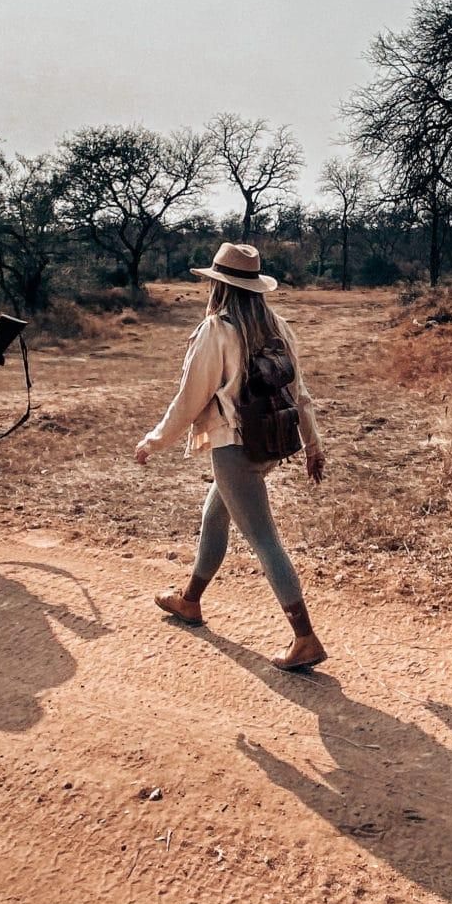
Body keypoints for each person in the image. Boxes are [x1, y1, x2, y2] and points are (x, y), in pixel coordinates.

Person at [135, 241, 329, 671]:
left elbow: (190, 397)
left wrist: (154, 440)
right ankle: (190, 601)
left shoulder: (217, 329)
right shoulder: (277, 325)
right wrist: (312, 445)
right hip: (271, 444)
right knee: (215, 515)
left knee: (264, 539)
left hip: (233, 447)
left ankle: (305, 638)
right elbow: (301, 395)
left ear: (218, 286)